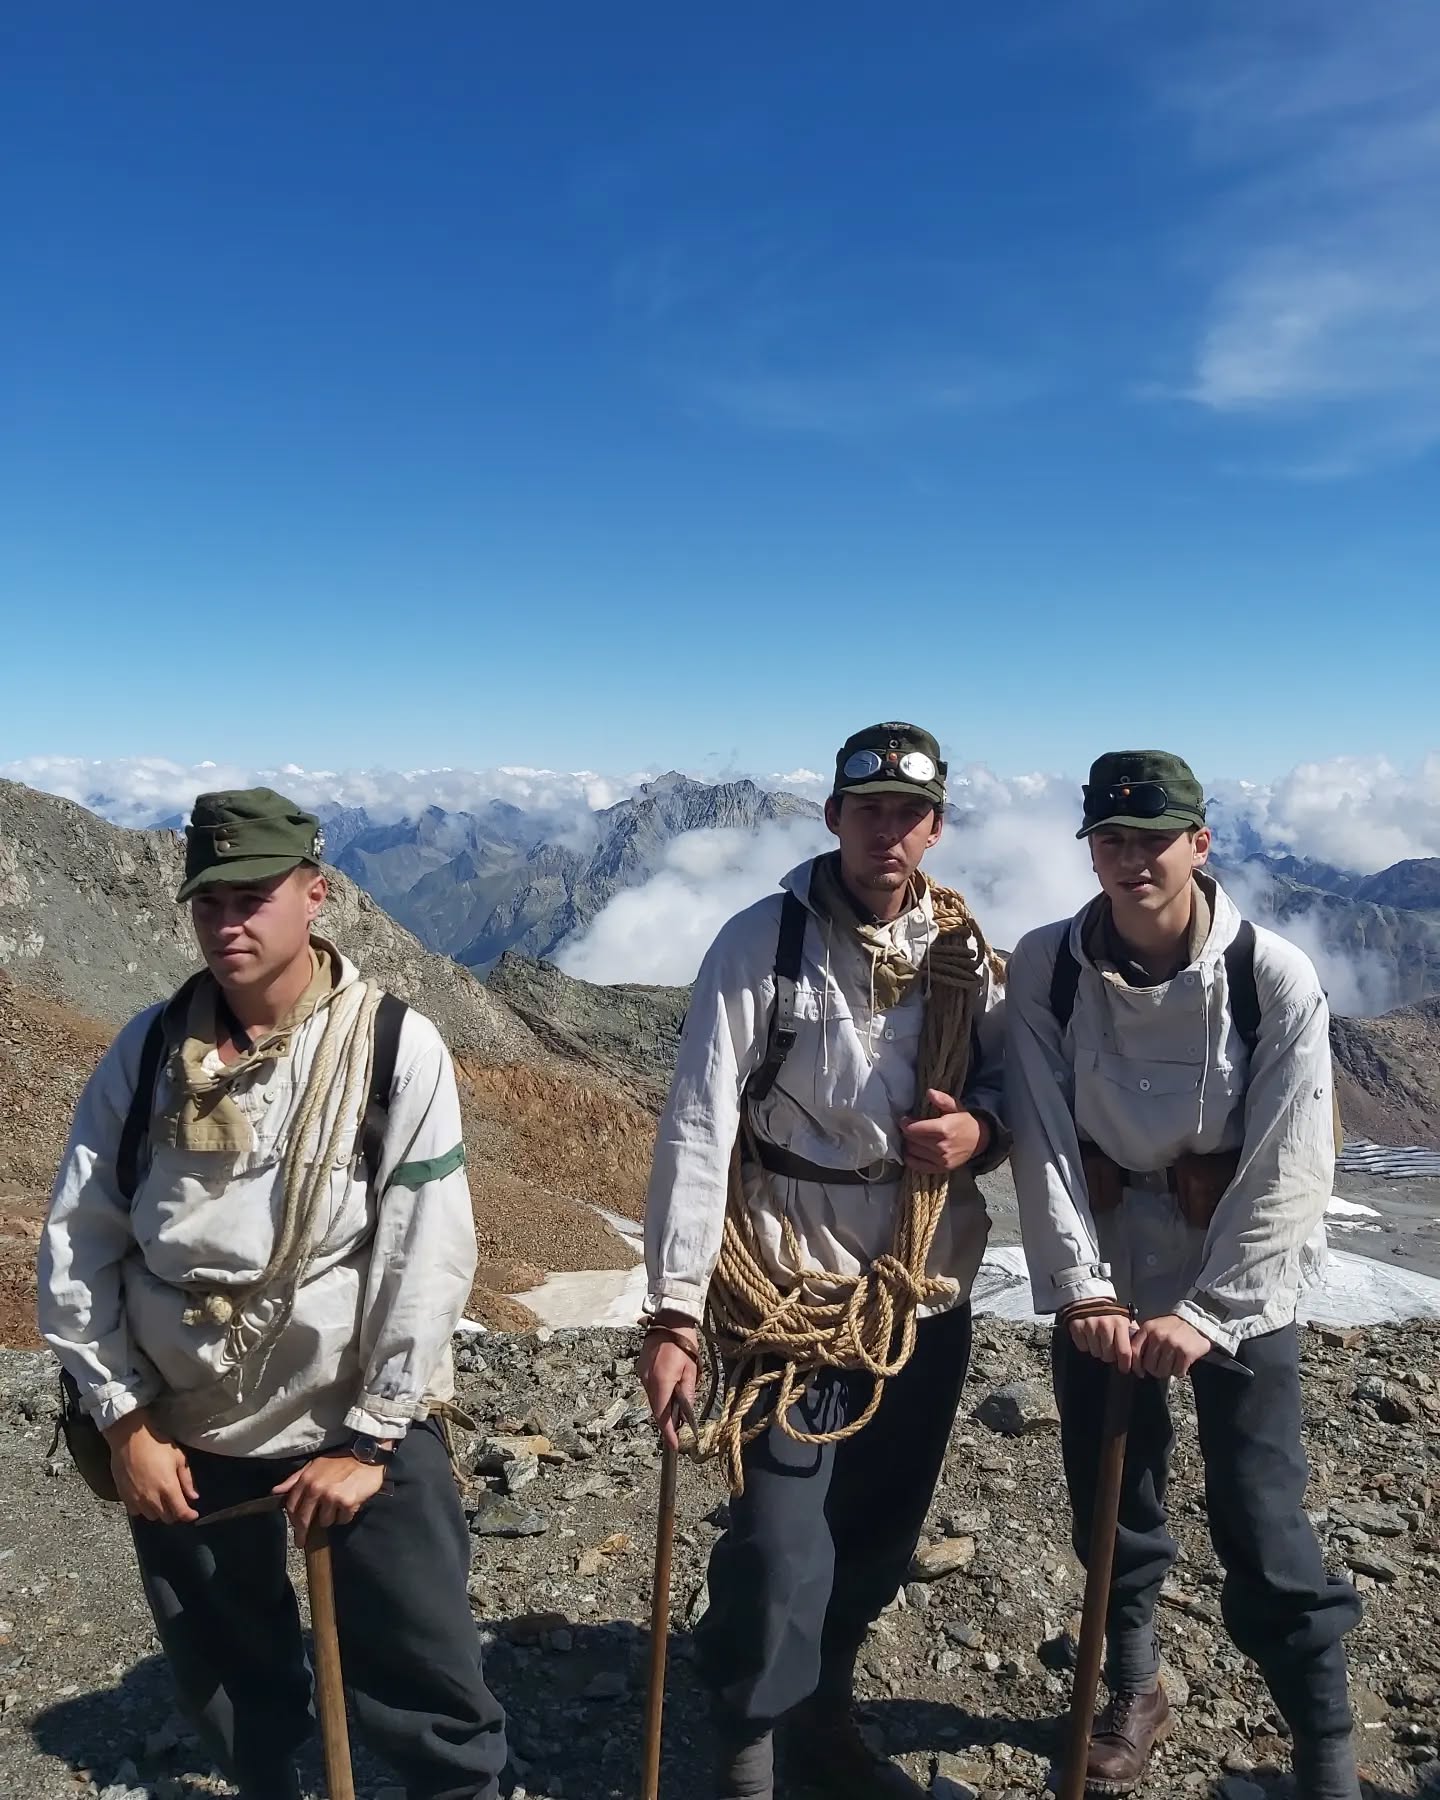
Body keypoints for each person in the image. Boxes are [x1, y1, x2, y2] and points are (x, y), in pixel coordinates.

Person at [39, 788, 506, 1800]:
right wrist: (125, 1424)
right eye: (210, 901)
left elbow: (427, 1255)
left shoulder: (393, 1048)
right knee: (226, 1676)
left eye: (253, 896)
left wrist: (375, 1439)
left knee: (424, 1665)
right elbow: (80, 1239)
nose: (228, 922)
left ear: (316, 894)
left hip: (349, 1419)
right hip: (182, 1425)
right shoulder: (147, 1052)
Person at [637, 724, 1009, 1800]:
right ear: (833, 817)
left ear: (935, 828)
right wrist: (671, 1314)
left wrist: (979, 1131)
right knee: (779, 1537)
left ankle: (824, 1706)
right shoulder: (760, 944)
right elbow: (699, 1128)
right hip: (788, 1287)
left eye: (908, 814)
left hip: (920, 1285)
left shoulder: (963, 955)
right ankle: (751, 1753)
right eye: (868, 810)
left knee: (882, 1530)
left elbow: (1009, 1091)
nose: (886, 831)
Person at [1006, 750, 1362, 1800]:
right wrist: (1082, 1290)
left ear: (1199, 845)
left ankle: (1324, 1737)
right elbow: (1041, 1132)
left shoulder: (1273, 977)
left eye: (1152, 839)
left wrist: (1212, 1313)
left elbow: (1293, 1163)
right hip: (1110, 1266)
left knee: (1261, 1507)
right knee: (1112, 1494)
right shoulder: (1046, 965)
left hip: (1235, 1274)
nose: (1130, 859)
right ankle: (1134, 1684)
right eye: (1111, 839)